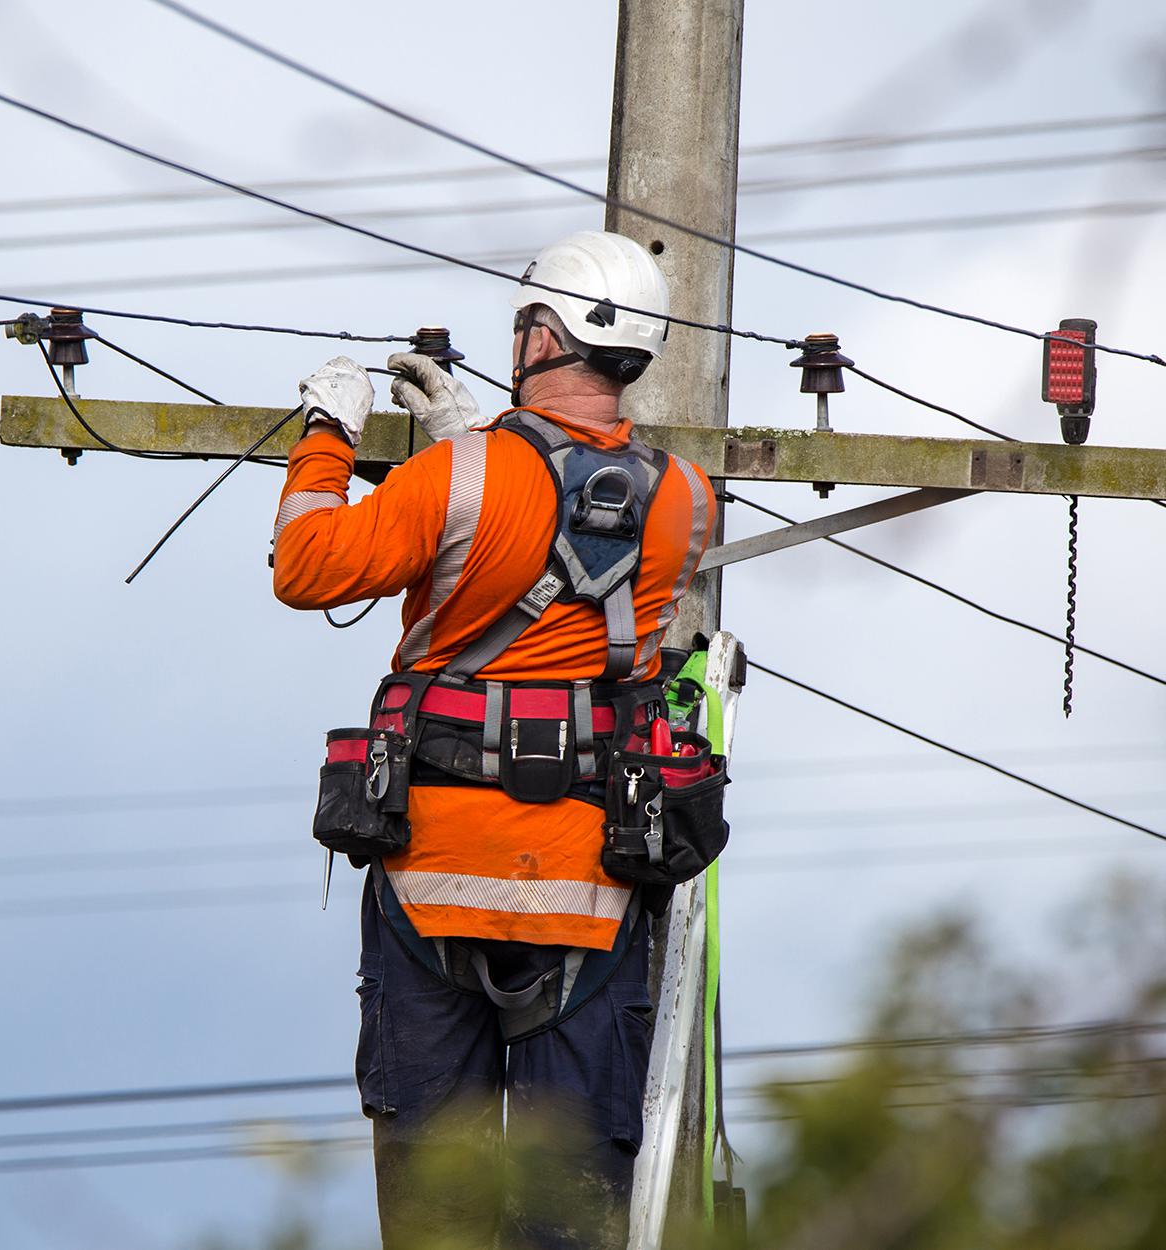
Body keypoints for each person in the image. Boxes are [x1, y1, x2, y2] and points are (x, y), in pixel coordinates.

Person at [272, 231, 722, 1249]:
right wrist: (465, 448)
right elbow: (570, 540)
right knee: (566, 1215)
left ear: (543, 333)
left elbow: (305, 563)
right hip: (592, 898)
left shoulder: (456, 480)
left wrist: (325, 433)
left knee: (440, 1217)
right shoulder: (686, 499)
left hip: (433, 880)